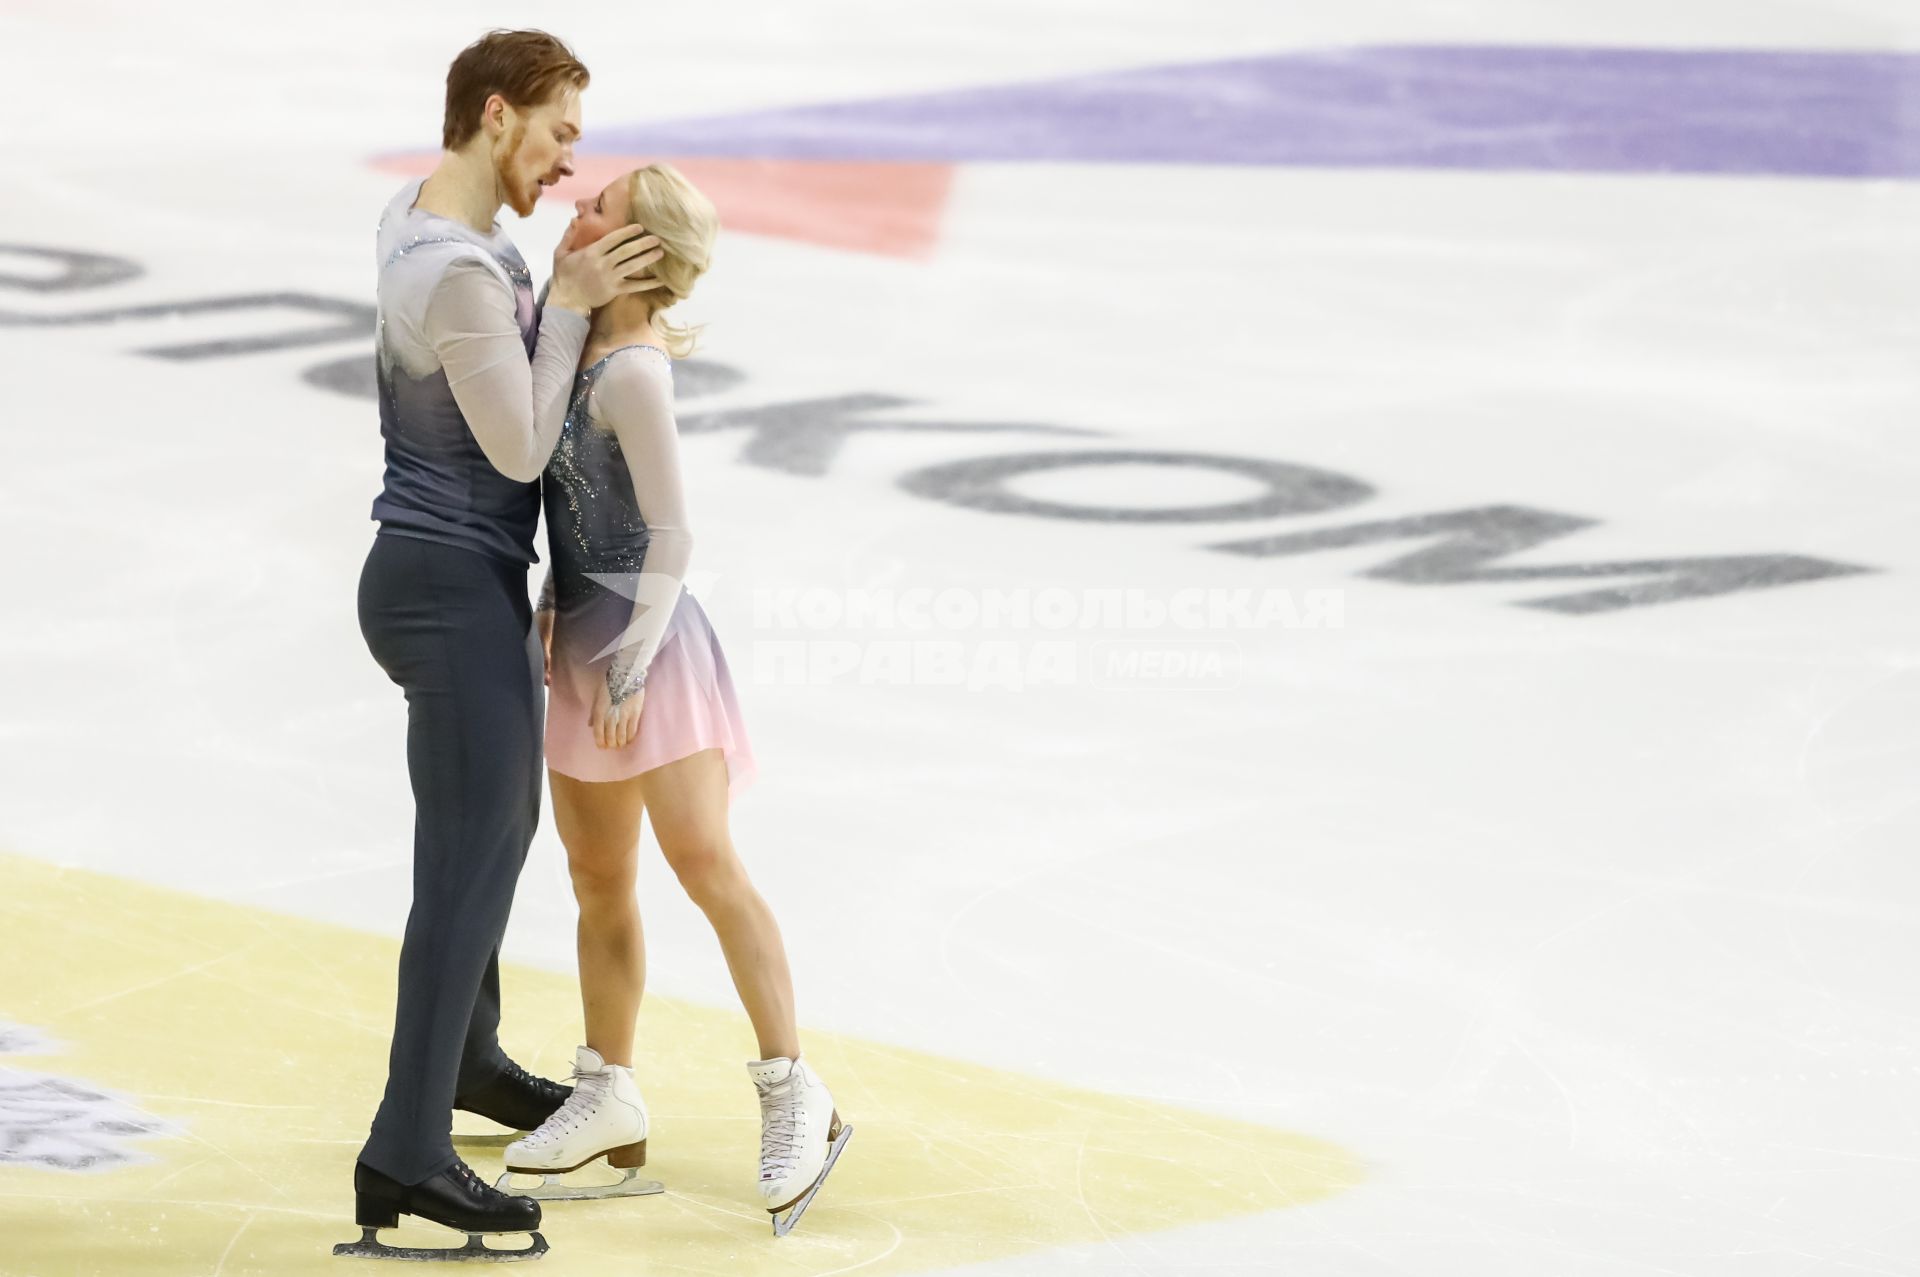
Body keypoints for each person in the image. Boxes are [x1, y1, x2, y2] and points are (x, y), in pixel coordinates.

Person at [340, 28, 667, 1263]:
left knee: (468, 842)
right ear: (495, 117)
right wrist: (577, 309)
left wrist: (561, 286)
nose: (571, 162)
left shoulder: (435, 220)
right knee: (481, 851)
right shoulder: (466, 274)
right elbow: (522, 450)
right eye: (561, 132)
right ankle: (407, 1148)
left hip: (445, 580)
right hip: (445, 591)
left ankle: (464, 1061)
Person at [495, 164, 853, 1237]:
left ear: (640, 246)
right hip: (578, 637)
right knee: (597, 873)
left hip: (645, 648)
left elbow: (674, 533)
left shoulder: (634, 374)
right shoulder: (579, 344)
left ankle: (798, 1088)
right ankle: (609, 1086)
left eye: (597, 204)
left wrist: (635, 662)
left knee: (705, 864)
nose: (576, 208)